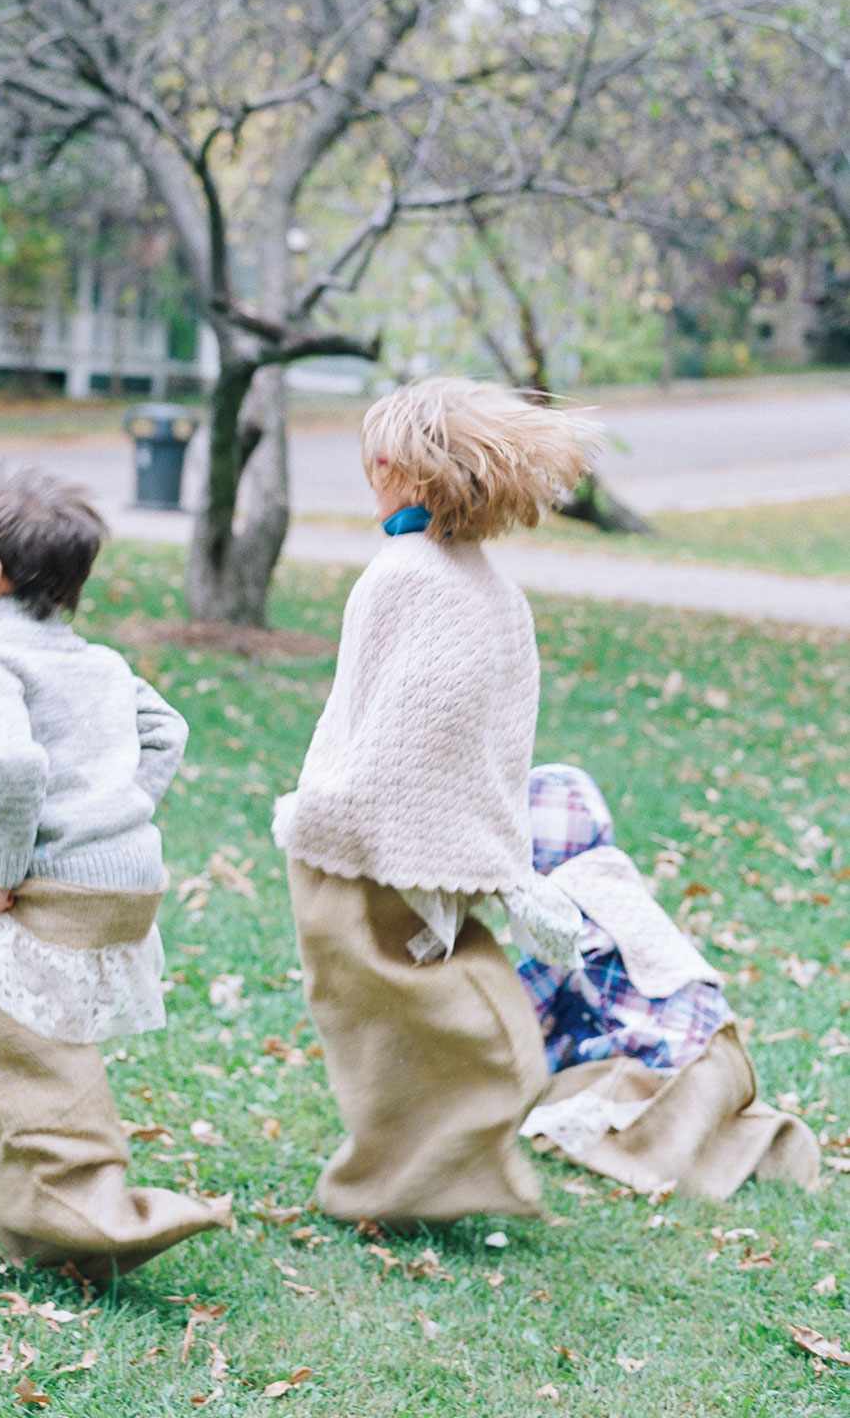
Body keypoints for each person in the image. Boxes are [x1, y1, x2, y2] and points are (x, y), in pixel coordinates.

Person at [0, 468, 228, 1280]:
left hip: (71, 882)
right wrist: (122, 810)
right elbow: (170, 731)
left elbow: (14, 766)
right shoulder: (93, 657)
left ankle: (54, 1203)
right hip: (132, 878)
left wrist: (2, 872)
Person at [274, 378, 598, 1224]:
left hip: (370, 848)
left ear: (395, 469)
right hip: (430, 844)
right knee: (393, 1026)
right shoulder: (483, 582)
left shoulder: (412, 577)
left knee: (390, 1019)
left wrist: (345, 816)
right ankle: (407, 1176)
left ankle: (398, 1181)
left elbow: (416, 720)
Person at [517, 763, 820, 1199]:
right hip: (721, 1054)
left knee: (565, 1103)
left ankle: (679, 1156)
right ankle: (751, 1138)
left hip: (664, 1069)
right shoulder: (619, 891)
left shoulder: (559, 913)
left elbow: (521, 1011)